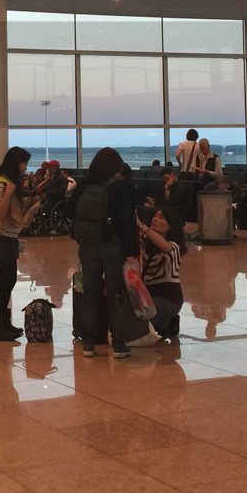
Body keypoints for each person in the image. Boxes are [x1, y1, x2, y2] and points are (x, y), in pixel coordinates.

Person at [71, 147, 137, 358]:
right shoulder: (117, 188)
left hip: (88, 245)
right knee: (114, 293)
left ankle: (88, 342)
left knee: (90, 292)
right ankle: (118, 343)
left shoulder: (84, 185)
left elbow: (69, 210)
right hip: (112, 246)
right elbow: (127, 222)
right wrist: (132, 251)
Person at [0, 146, 30, 342]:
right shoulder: (0, 183)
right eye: (23, 163)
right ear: (15, 163)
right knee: (5, 281)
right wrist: (9, 192)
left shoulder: (10, 183)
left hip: (9, 237)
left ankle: (4, 322)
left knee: (9, 280)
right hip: (1, 237)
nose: (25, 167)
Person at [138, 207, 184, 342]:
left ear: (171, 226)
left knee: (138, 311)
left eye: (161, 218)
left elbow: (165, 247)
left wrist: (142, 226)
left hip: (169, 300)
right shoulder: (149, 244)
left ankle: (166, 320)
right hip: (152, 297)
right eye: (155, 216)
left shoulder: (174, 247)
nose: (155, 219)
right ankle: (164, 322)